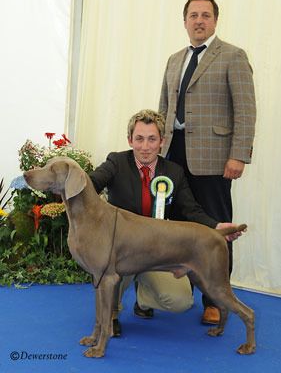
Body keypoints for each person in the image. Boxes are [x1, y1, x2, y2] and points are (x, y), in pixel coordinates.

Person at [89, 109, 242, 336]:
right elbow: (92, 183)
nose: (145, 146)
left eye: (152, 139)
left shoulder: (174, 172)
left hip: (156, 252)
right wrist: (70, 179)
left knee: (179, 301)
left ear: (162, 141)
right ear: (130, 140)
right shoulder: (116, 162)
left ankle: (144, 300)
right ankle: (111, 312)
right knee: (110, 268)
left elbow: (192, 210)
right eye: (139, 139)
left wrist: (215, 227)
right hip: (122, 250)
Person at [158, 0, 256, 325]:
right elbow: (163, 109)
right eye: (193, 16)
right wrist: (156, 148)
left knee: (216, 230)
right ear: (184, 21)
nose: (199, 21)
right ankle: (167, 291)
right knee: (173, 229)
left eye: (206, 15)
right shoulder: (174, 60)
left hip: (215, 159)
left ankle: (215, 300)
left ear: (215, 20)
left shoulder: (233, 56)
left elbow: (245, 110)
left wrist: (239, 154)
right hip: (173, 155)